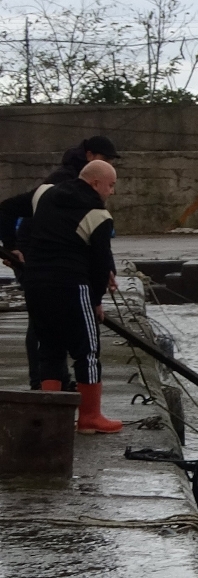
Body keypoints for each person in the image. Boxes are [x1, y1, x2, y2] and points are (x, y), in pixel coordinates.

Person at [1, 136, 119, 390]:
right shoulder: (59, 185)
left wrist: (106, 266)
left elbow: (94, 241)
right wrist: (12, 247)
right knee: (61, 335)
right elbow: (92, 238)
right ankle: (47, 387)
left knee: (50, 335)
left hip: (45, 266)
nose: (112, 191)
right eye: (106, 159)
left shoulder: (77, 191)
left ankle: (52, 393)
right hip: (45, 260)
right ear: (90, 158)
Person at [25, 159, 122, 434]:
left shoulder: (44, 194)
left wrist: (13, 246)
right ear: (95, 183)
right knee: (87, 351)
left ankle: (51, 417)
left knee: (50, 348)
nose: (111, 192)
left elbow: (11, 211)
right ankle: (90, 417)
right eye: (110, 185)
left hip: (35, 281)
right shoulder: (98, 215)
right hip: (70, 283)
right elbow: (100, 264)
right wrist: (96, 301)